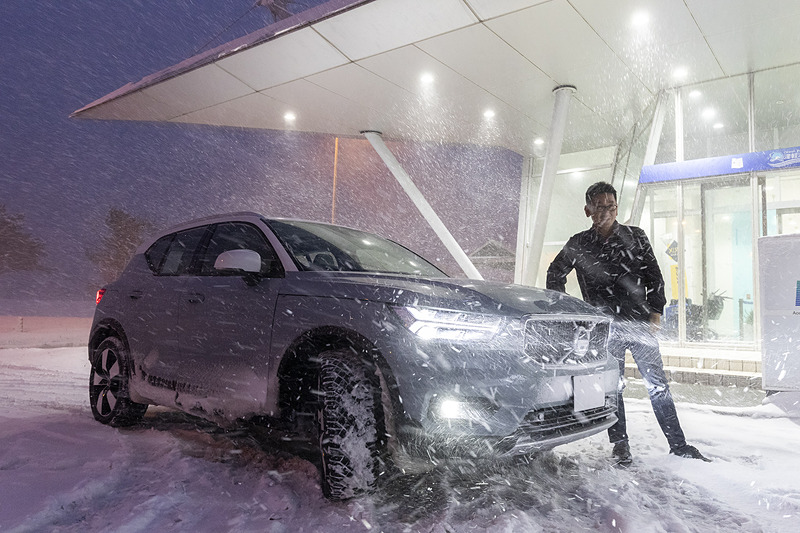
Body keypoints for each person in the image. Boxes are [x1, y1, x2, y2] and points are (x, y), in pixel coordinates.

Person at [546, 181, 709, 466]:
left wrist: (656, 310)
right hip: (604, 330)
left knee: (658, 385)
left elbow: (654, 274)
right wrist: (571, 313)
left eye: (611, 206)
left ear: (616, 207)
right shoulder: (579, 243)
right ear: (587, 210)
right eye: (599, 207)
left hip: (640, 323)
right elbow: (554, 273)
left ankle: (678, 444)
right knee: (614, 387)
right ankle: (620, 445)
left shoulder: (635, 236)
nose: (606, 212)